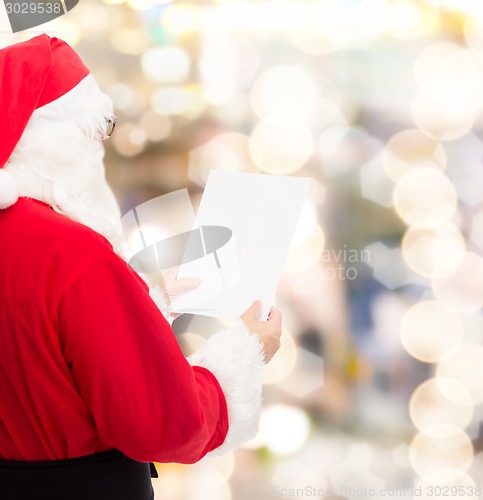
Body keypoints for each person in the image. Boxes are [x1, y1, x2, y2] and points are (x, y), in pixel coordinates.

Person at [0, 34, 282, 500]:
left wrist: (143, 304)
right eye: (93, 135)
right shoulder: (75, 255)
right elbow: (161, 423)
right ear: (56, 140)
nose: (99, 153)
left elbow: (45, 346)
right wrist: (246, 351)